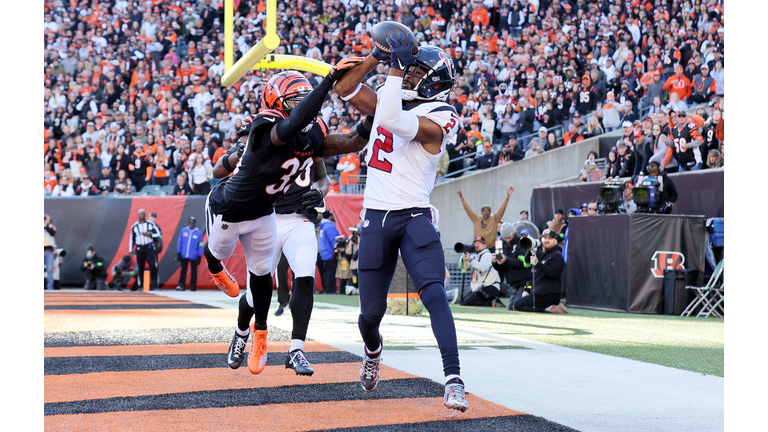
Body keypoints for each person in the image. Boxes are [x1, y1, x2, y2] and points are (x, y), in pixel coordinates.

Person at [203, 61, 366, 376]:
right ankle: (240, 330)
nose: (302, 106)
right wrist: (236, 156)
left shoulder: (311, 134)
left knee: (296, 276)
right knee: (246, 286)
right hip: (247, 209)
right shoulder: (267, 128)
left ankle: (290, 347)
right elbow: (221, 169)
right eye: (295, 99)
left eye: (304, 98)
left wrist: (380, 110)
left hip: (288, 217)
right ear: (278, 103)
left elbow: (343, 148)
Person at [332, 39, 468, 412]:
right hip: (375, 217)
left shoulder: (441, 113)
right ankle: (373, 351)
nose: (408, 73)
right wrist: (379, 55)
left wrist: (392, 69)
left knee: (434, 293)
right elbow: (344, 88)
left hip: (414, 216)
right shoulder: (392, 96)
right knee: (368, 317)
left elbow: (391, 118)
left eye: (416, 70)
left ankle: (453, 379)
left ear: (434, 80)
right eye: (407, 67)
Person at [511, 229, 567, 313]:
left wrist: (538, 264)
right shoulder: (541, 253)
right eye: (544, 238)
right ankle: (552, 307)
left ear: (555, 241)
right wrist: (531, 248)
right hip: (537, 292)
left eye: (549, 238)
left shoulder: (557, 256)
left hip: (548, 295)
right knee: (512, 306)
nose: (546, 240)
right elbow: (527, 263)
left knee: (518, 305)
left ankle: (549, 309)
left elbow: (553, 273)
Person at [457, 187, 514, 251]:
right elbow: (468, 210)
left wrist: (507, 197)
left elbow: (502, 210)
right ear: (481, 212)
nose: (486, 212)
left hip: (491, 248)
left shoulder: (494, 219)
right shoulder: (476, 219)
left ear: (490, 212)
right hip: (478, 248)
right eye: (484, 211)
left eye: (487, 211)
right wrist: (462, 198)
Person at [493, 224, 533, 307]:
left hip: (524, 283)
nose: (507, 240)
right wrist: (495, 262)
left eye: (508, 238)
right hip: (513, 285)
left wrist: (506, 259)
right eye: (505, 238)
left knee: (518, 306)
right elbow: (501, 268)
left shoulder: (521, 243)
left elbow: (522, 263)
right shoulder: (502, 245)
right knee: (511, 307)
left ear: (513, 233)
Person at [461, 236, 504, 307]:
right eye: (475, 243)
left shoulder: (488, 255)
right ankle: (492, 300)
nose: (477, 245)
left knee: (467, 302)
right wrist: (463, 253)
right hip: (479, 288)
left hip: (491, 287)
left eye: (479, 243)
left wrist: (470, 260)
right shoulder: (474, 256)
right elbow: (462, 267)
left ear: (485, 245)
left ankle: (494, 303)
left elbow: (484, 268)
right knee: (462, 300)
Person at [129, 209, 161, 291]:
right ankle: (141, 285)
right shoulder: (135, 226)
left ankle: (155, 285)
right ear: (138, 215)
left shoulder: (150, 224)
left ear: (145, 215)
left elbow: (158, 234)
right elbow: (132, 239)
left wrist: (149, 235)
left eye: (143, 214)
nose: (141, 215)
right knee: (140, 267)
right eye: (140, 214)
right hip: (139, 247)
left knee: (153, 265)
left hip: (148, 247)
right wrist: (131, 250)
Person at [175, 216, 203, 291]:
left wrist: (199, 255)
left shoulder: (198, 232)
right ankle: (181, 285)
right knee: (183, 271)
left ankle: (193, 286)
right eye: (190, 222)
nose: (191, 223)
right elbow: (179, 242)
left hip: (193, 255)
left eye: (193, 222)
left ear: (195, 223)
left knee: (194, 271)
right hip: (184, 254)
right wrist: (178, 252)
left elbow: (200, 244)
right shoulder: (183, 231)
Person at [318, 210, 341, 294]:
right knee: (330, 272)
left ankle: (326, 288)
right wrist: (337, 248)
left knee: (325, 272)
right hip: (330, 252)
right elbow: (334, 240)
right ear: (330, 216)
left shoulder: (322, 226)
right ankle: (330, 289)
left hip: (323, 252)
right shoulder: (329, 226)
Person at [44, 215, 57, 291]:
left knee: (49, 270)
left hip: (49, 251)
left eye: (46, 218)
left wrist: (46, 226)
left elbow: (53, 233)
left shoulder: (52, 226)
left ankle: (50, 288)